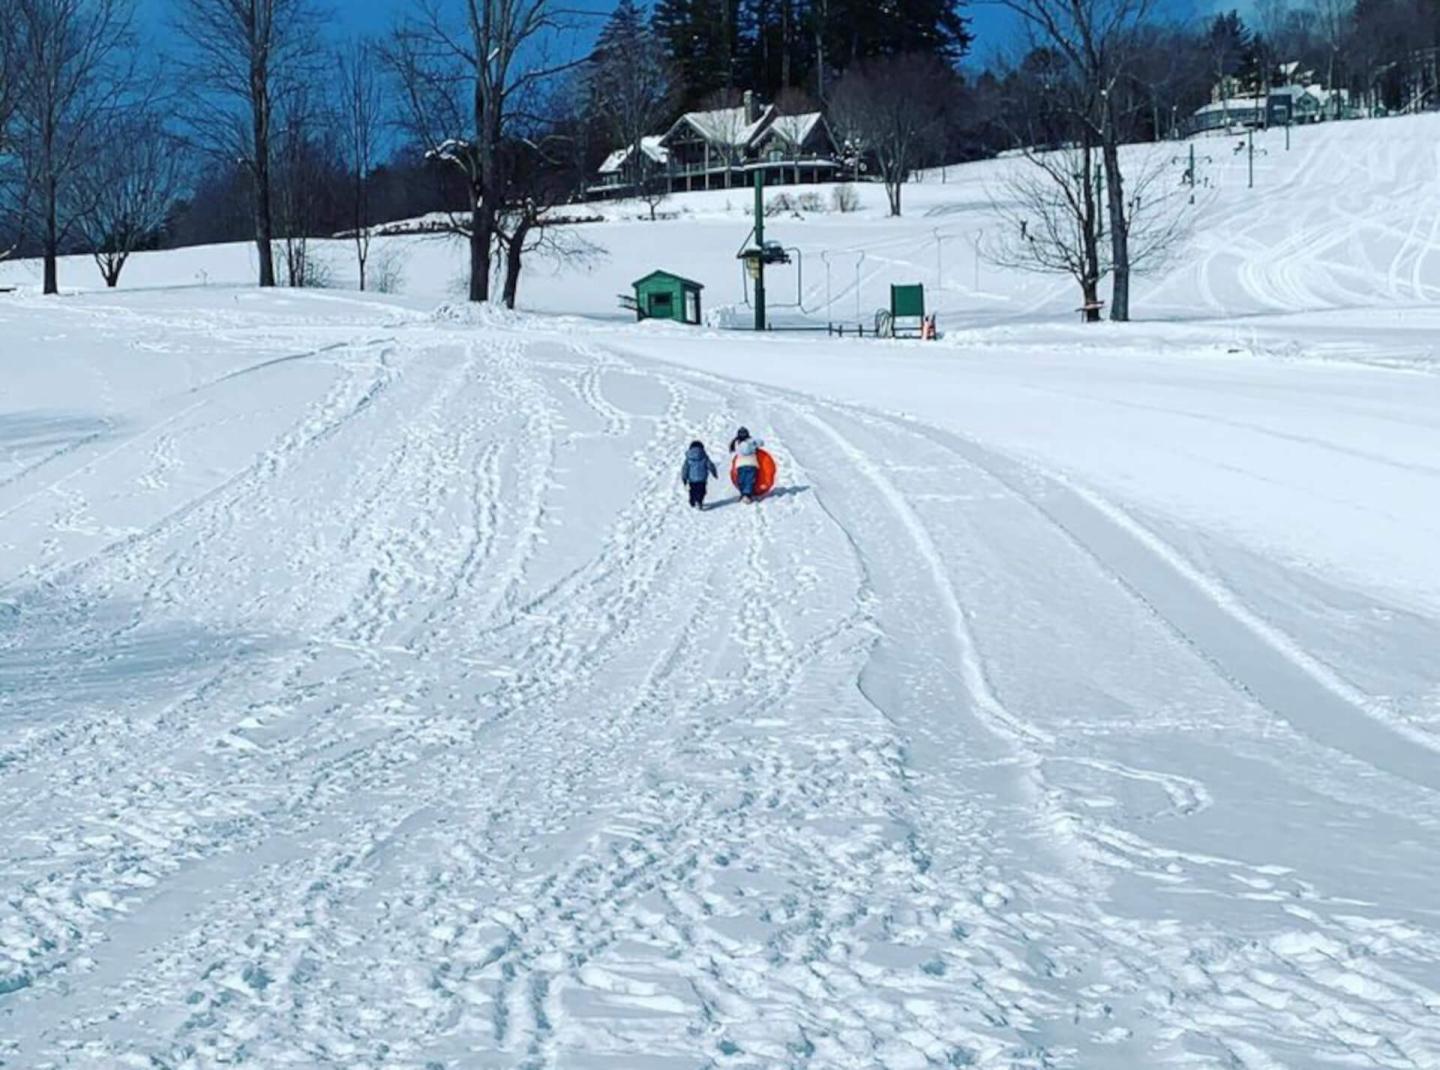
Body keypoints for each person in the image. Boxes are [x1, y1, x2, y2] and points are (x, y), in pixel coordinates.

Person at [729, 426, 765, 502]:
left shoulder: (735, 442)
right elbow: (761, 443)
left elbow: (733, 453)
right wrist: (754, 444)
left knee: (741, 480)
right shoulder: (751, 441)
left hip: (740, 464)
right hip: (751, 463)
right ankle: (747, 495)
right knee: (749, 480)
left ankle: (743, 494)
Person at [680, 439, 718, 509]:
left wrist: (684, 478)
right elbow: (710, 465)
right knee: (702, 491)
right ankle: (699, 501)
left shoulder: (688, 459)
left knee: (692, 491)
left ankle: (692, 501)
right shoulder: (704, 457)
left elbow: (685, 469)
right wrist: (714, 473)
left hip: (692, 479)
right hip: (702, 479)